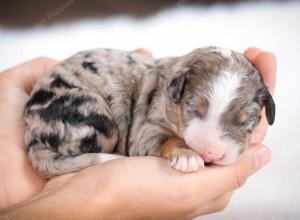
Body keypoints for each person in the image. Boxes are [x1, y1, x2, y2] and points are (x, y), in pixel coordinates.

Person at [0, 47, 276, 219]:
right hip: (66, 107)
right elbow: (142, 138)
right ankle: (67, 158)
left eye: (243, 122)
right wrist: (173, 146)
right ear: (176, 90)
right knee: (106, 127)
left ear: (266, 109)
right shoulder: (164, 93)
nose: (213, 147)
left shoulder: (179, 89)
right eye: (196, 110)